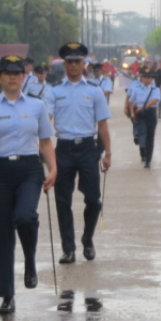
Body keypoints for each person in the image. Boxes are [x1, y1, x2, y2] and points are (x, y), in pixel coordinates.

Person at [0, 55, 57, 314]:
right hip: (0, 170)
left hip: (29, 169)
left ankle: (30, 260)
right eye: (7, 73)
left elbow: (46, 141)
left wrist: (53, 168)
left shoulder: (36, 106)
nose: (13, 77)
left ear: (23, 76)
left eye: (17, 72)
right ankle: (7, 294)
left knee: (25, 217)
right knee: (2, 231)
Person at [45, 43, 113, 264]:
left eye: (77, 61)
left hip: (87, 148)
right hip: (63, 149)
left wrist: (108, 153)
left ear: (84, 63)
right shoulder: (54, 91)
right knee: (63, 201)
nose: (73, 65)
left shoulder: (94, 91)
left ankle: (87, 239)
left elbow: (102, 124)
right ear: (64, 64)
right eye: (69, 61)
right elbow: (47, 121)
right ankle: (68, 248)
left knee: (93, 199)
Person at [126, 67, 161, 168]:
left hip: (150, 113)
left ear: (152, 79)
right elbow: (131, 101)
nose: (147, 79)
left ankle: (148, 159)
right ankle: (143, 152)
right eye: (145, 77)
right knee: (142, 134)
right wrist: (132, 113)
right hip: (140, 115)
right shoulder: (137, 90)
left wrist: (144, 107)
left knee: (150, 137)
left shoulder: (155, 89)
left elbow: (155, 100)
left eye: (149, 77)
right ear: (143, 78)